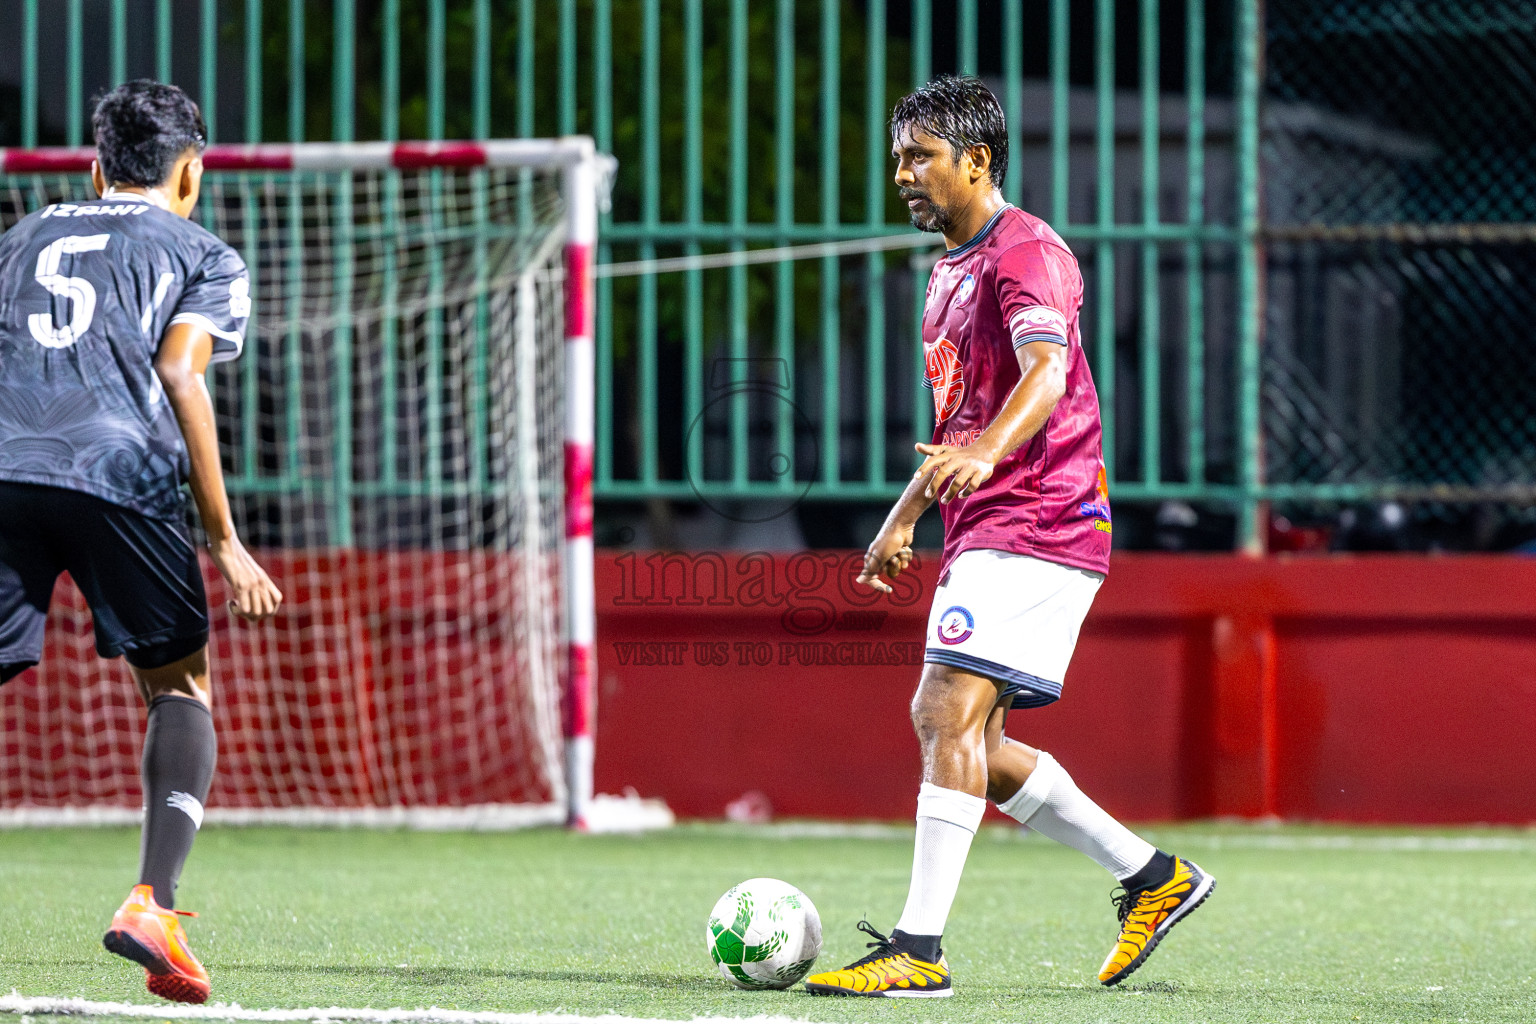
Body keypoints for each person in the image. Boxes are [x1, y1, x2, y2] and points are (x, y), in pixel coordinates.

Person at [803, 75, 1214, 999]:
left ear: (977, 160)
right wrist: (905, 516)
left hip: (1042, 513)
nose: (902, 174)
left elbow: (1046, 372)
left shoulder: (1026, 250)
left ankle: (918, 950)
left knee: (941, 709)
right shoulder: (948, 271)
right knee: (975, 746)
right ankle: (1154, 877)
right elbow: (961, 423)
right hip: (994, 520)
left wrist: (988, 454)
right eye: (898, 157)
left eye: (921, 157)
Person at [0, 80, 282, 1004]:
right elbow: (179, 373)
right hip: (121, 470)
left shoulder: (19, 237)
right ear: (191, 172)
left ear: (95, 169)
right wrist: (225, 538)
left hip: (6, 462)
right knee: (178, 687)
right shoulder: (204, 254)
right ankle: (152, 903)